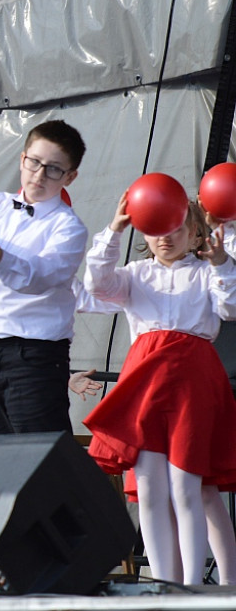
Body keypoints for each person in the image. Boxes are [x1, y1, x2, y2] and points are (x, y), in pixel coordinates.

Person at [83, 194, 236, 584]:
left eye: (178, 227)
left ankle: (194, 586)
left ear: (195, 232)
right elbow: (97, 284)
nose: (166, 237)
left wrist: (220, 262)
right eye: (155, 228)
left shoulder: (204, 272)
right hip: (145, 380)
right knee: (150, 488)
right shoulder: (135, 274)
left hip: (192, 381)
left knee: (188, 485)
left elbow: (230, 307)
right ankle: (166, 584)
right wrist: (114, 231)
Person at [0, 119, 88, 435]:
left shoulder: (68, 227)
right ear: (22, 158)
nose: (39, 175)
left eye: (53, 169)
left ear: (70, 177)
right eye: (34, 162)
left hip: (34, 358)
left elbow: (42, 277)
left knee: (41, 461)